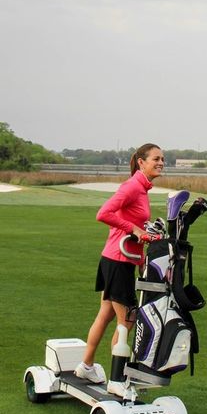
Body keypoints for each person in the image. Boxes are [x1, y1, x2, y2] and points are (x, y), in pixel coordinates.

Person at [75, 143, 165, 383]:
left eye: (162, 159)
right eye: (156, 159)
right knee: (127, 321)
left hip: (118, 259)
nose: (160, 163)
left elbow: (134, 227)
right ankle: (118, 379)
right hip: (118, 260)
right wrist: (134, 229)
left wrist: (142, 251)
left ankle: (86, 365)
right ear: (141, 162)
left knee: (105, 315)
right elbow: (103, 213)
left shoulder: (142, 188)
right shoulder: (132, 186)